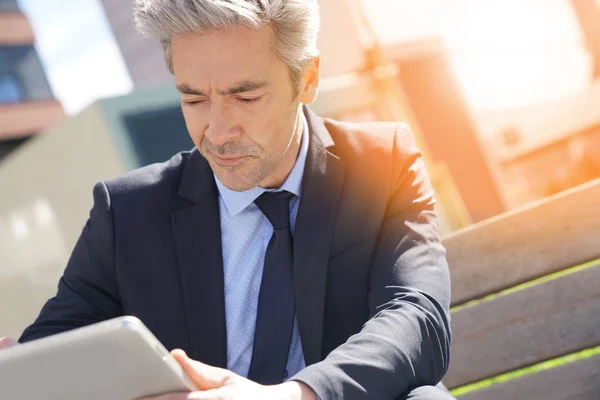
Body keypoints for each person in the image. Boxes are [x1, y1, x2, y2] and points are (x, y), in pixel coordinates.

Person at [0, 1, 454, 399]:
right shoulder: (127, 213)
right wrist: (20, 368)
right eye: (194, 100)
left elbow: (416, 317)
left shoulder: (382, 164)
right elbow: (51, 352)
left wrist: (293, 396)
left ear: (308, 79)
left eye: (246, 97)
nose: (216, 132)